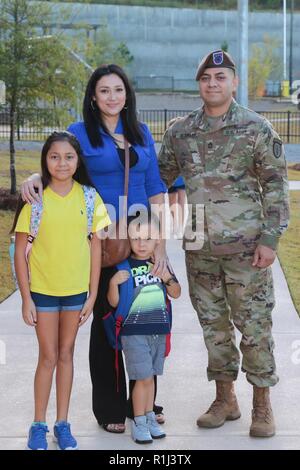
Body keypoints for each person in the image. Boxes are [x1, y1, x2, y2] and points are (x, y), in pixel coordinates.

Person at [20, 64, 168, 433]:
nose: (112, 97)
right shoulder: (80, 132)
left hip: (141, 240)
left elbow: (155, 187)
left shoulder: (142, 132)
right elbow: (59, 161)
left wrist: (161, 245)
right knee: (109, 325)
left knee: (143, 322)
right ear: (93, 96)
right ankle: (110, 408)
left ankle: (144, 405)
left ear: (127, 95)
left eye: (118, 90)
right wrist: (35, 177)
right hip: (102, 242)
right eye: (104, 90)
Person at [158, 50, 289, 438]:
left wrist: (270, 238)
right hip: (199, 248)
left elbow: (277, 186)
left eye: (220, 77)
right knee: (213, 327)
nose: (212, 84)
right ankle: (225, 398)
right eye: (206, 78)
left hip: (247, 250)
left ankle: (262, 404)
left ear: (233, 82)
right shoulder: (180, 132)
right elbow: (157, 177)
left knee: (254, 326)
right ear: (198, 84)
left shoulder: (256, 128)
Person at [12, 131, 111, 450]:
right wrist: (26, 298)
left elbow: (96, 248)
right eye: (55, 156)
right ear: (45, 160)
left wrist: (93, 294)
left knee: (67, 355)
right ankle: (38, 424)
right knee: (48, 356)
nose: (62, 163)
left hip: (75, 293)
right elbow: (19, 252)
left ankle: (62, 424)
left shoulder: (89, 197)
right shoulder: (35, 199)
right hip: (42, 292)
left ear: (78, 160)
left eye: (69, 157)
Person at [107, 212, 181, 444]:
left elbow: (176, 293)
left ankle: (149, 417)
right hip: (134, 332)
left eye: (148, 238)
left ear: (158, 240)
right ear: (128, 239)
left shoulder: (160, 264)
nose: (141, 243)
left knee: (150, 378)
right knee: (143, 378)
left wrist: (167, 277)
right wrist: (112, 283)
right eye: (136, 237)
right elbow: (114, 303)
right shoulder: (123, 266)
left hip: (158, 331)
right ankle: (139, 421)